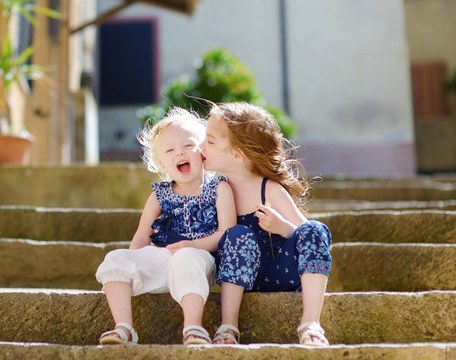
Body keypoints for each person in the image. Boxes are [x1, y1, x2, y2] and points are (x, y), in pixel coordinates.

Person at [95, 106, 236, 345]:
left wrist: (192, 245)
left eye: (188, 145)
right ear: (161, 164)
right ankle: (124, 328)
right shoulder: (159, 196)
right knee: (115, 259)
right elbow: (142, 237)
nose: (179, 153)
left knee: (186, 257)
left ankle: (193, 327)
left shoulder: (219, 188)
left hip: (199, 261)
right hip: (161, 259)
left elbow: (227, 233)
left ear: (203, 152)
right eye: (169, 150)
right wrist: (126, 270)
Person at [201, 102, 332, 346]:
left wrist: (284, 228)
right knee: (237, 233)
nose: (201, 147)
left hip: (279, 275)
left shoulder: (269, 190)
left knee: (315, 229)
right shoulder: (215, 191)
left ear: (237, 154)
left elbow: (309, 239)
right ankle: (228, 327)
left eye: (209, 141)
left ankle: (311, 324)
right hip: (235, 279)